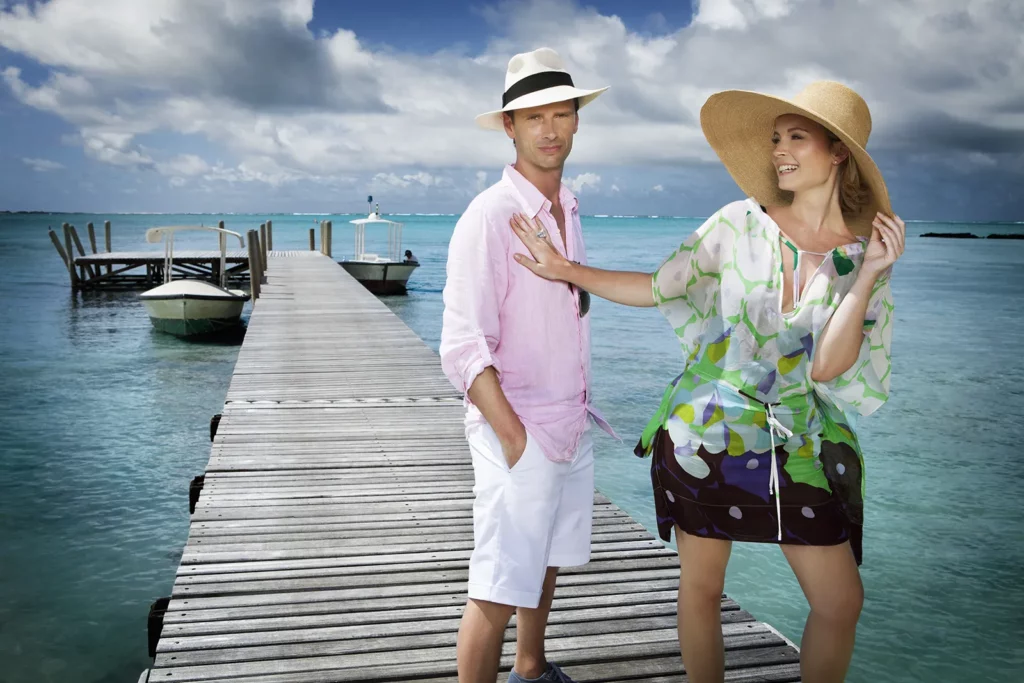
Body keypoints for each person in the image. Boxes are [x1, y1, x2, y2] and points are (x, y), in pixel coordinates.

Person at [508, 80, 904, 683]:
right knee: (702, 587)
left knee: (841, 602)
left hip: (797, 446)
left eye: (797, 137)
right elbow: (657, 287)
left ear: (838, 151)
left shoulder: (859, 257)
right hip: (704, 431)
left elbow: (827, 367)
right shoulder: (737, 223)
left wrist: (872, 273)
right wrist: (565, 270)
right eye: (776, 139)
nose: (780, 152)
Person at [439, 47, 614, 683]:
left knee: (545, 558)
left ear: (576, 121)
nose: (550, 129)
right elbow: (461, 344)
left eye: (561, 113)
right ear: (509, 127)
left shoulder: (568, 204)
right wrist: (513, 439)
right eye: (533, 116)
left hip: (569, 420)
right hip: (520, 429)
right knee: (493, 583)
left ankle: (531, 668)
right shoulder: (489, 216)